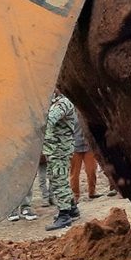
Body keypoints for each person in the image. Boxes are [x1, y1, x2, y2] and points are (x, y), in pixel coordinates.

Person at [45, 91, 80, 231]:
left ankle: (64, 216)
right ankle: (72, 208)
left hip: (59, 149)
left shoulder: (63, 103)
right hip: (57, 148)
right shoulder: (56, 101)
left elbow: (49, 120)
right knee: (58, 179)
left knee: (59, 180)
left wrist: (47, 144)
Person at [69, 111, 100, 200]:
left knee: (91, 170)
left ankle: (92, 192)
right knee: (74, 173)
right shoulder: (70, 114)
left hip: (88, 146)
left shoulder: (88, 113)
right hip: (75, 147)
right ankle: (75, 195)